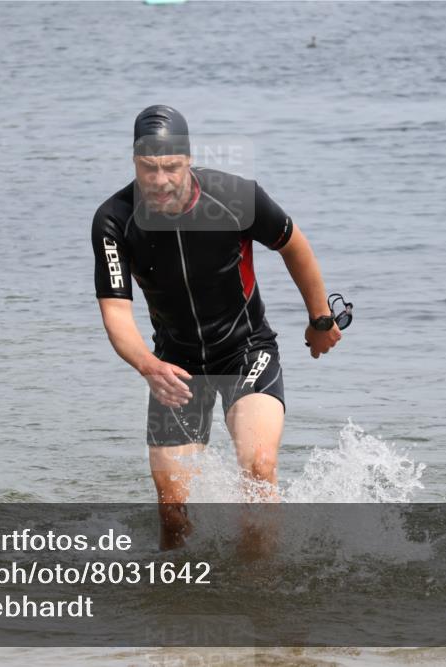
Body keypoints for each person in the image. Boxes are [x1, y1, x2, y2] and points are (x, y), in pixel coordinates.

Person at [91, 105, 341, 549]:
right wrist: (149, 366)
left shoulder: (235, 197)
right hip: (174, 366)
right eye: (149, 168)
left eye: (171, 166)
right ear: (135, 162)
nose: (162, 180)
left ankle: (258, 594)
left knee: (259, 467)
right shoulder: (114, 221)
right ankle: (178, 599)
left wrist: (320, 318)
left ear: (188, 159)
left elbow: (294, 245)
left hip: (247, 351)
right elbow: (115, 312)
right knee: (172, 509)